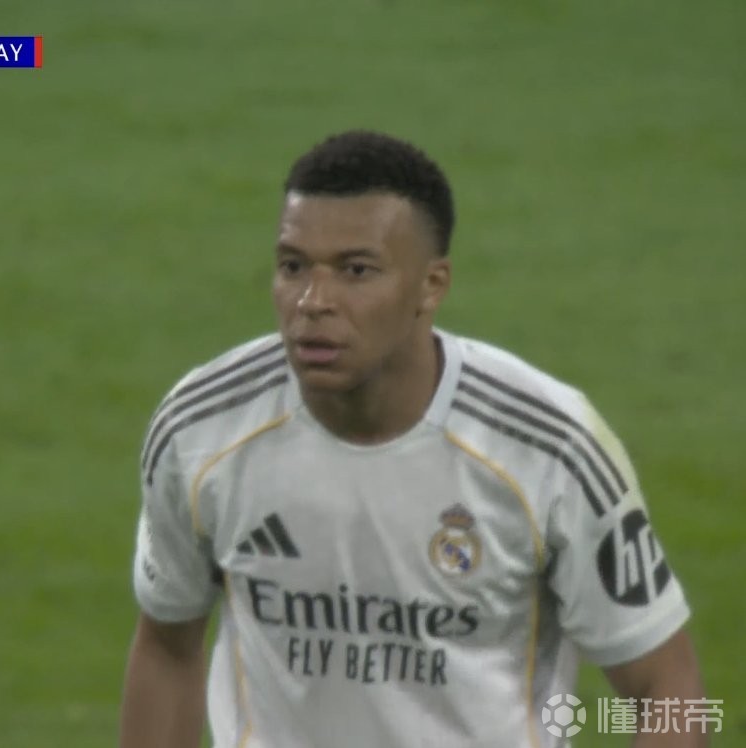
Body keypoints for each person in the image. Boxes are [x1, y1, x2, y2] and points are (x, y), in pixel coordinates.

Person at [119, 130, 706, 747]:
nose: (313, 302)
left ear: (432, 285)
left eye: (356, 271)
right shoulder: (201, 429)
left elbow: (666, 686)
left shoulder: (550, 448)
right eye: (293, 266)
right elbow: (166, 646)